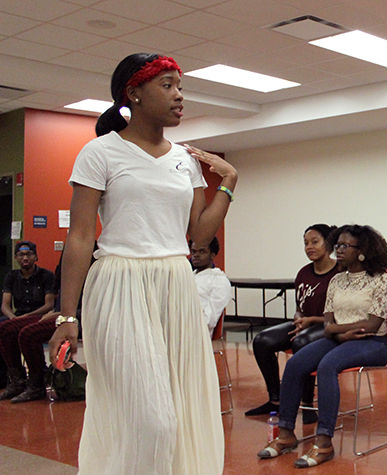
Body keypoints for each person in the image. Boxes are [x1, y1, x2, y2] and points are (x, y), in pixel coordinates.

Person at [48, 53, 237, 475]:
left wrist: (227, 182)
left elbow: (200, 237)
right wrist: (67, 314)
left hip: (175, 282)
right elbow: (79, 237)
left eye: (180, 86)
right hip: (121, 281)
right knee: (151, 420)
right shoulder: (100, 152)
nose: (179, 95)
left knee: (185, 409)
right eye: (167, 85)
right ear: (133, 93)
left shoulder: (185, 160)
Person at [257, 224, 387, 468]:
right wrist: (338, 333)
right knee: (295, 363)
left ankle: (324, 441)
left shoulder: (381, 279)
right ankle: (286, 434)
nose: (337, 250)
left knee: (328, 365)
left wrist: (336, 331)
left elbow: (371, 325)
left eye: (344, 246)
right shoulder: (337, 280)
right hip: (338, 339)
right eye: (337, 244)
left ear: (362, 250)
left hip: (372, 343)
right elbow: (328, 323)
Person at [245, 224, 338, 424]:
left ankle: (307, 404)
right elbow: (300, 306)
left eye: (315, 242)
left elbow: (342, 315)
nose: (309, 247)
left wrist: (311, 320)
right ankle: (275, 400)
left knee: (301, 343)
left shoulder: (340, 274)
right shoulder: (304, 272)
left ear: (328, 244)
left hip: (329, 326)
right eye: (306, 243)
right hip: (305, 323)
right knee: (262, 340)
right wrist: (298, 318)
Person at [0, 241, 56, 399]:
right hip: (17, 316)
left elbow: (49, 305)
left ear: (35, 257)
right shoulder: (11, 276)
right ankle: (15, 379)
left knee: (22, 331)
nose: (25, 258)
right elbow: (5, 304)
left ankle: (36, 380)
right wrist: (13, 317)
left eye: (29, 254)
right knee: (4, 327)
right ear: (16, 258)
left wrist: (25, 318)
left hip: (39, 315)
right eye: (21, 255)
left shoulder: (46, 276)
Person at [190, 236, 232, 337]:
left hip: (196, 334)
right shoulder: (188, 276)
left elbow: (209, 320)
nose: (196, 255)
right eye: (193, 252)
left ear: (212, 255)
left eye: (202, 252)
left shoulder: (219, 280)